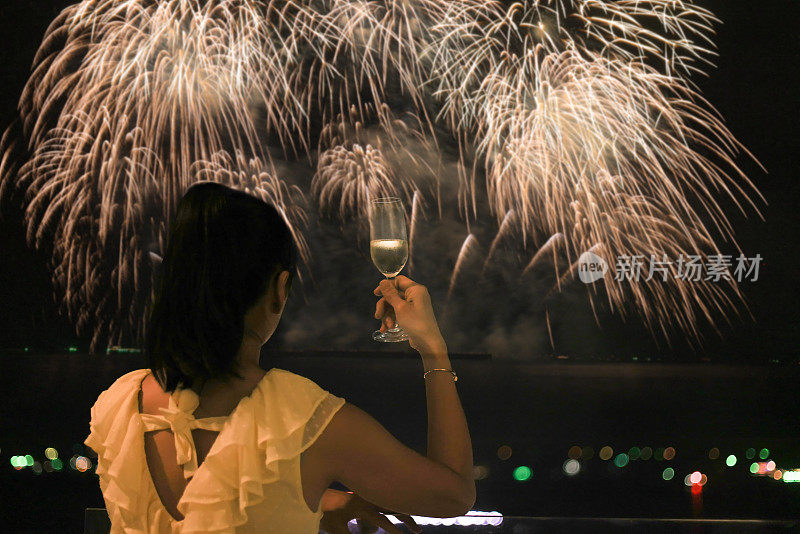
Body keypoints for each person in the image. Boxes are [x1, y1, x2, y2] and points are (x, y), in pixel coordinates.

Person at [85, 182, 475, 533]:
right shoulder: (304, 418)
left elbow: (206, 501)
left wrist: (309, 500)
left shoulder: (118, 405)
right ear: (279, 287)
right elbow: (454, 495)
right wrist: (432, 349)